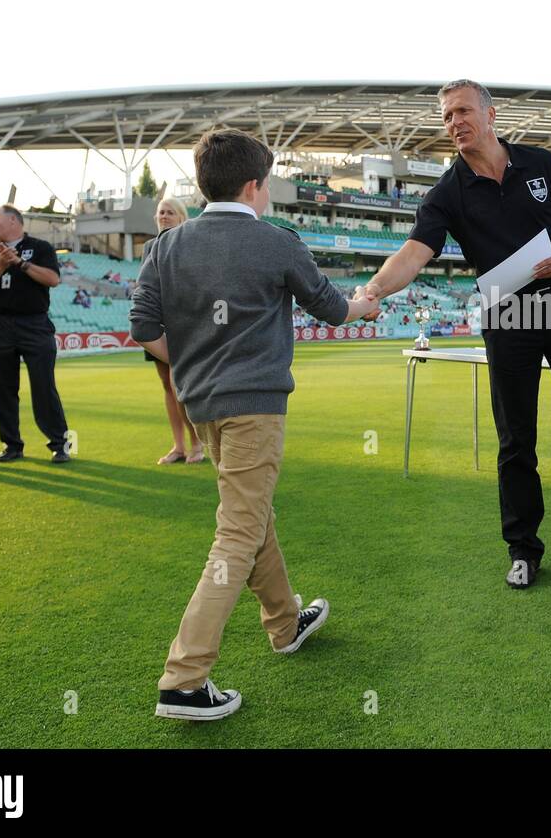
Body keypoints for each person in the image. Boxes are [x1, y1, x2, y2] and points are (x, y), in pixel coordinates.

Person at [356, 79, 551, 589]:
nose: (455, 122)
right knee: (516, 440)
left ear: (491, 115)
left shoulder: (539, 163)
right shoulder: (447, 192)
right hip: (507, 318)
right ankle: (524, 549)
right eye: (446, 117)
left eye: (463, 111)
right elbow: (415, 252)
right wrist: (375, 289)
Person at [131, 128, 377, 722]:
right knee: (238, 532)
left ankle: (285, 623)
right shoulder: (276, 242)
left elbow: (144, 328)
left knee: (251, 514)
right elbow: (332, 307)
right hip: (256, 405)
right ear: (254, 185)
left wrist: (193, 363)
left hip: (202, 405)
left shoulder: (166, 246)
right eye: (267, 185)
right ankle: (184, 678)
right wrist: (366, 303)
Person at [0, 205, 73, 463]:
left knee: (43, 386)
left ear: (14, 221)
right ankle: (11, 445)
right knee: (2, 389)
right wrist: (0, 265)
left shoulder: (40, 248)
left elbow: (52, 279)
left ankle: (61, 443)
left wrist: (19, 263)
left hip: (34, 324)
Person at [140, 197, 203, 465]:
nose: (164, 216)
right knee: (167, 385)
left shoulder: (191, 245)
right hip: (158, 324)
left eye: (170, 213)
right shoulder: (150, 247)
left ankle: (197, 443)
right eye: (161, 212)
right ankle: (178, 446)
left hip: (185, 323)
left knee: (182, 386)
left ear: (181, 217)